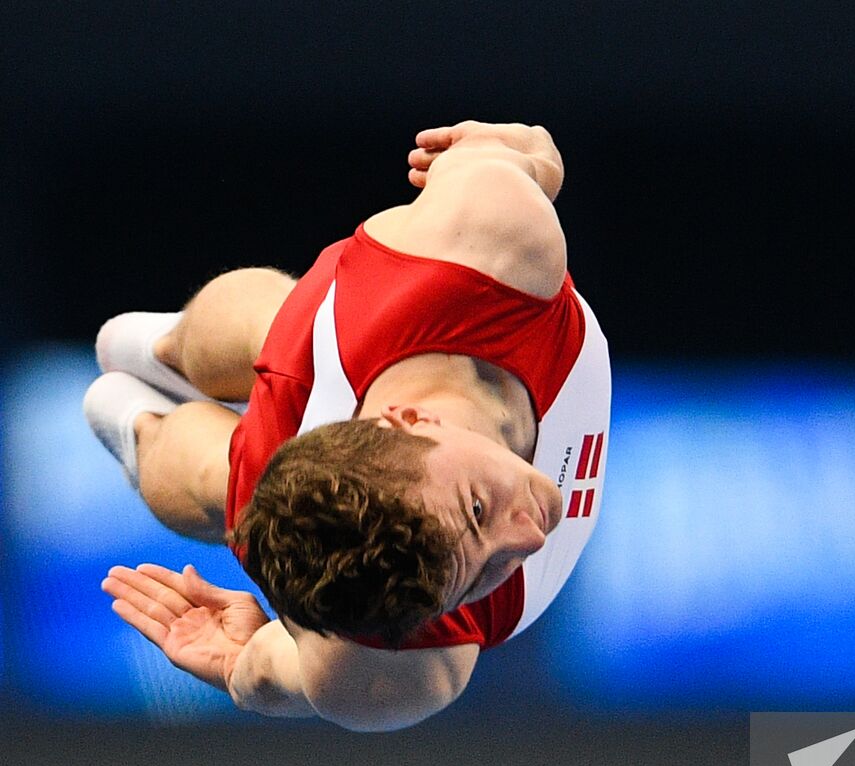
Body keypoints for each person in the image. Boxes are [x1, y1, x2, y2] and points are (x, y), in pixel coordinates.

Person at [84, 120, 611, 731]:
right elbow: (266, 670)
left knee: (240, 408)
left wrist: (522, 153)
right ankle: (155, 388)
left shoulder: (487, 240)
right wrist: (530, 158)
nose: (527, 537)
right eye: (476, 577)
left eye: (474, 510)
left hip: (375, 330)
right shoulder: (416, 656)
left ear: (415, 422)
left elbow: (530, 155)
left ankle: (152, 391)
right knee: (243, 402)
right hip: (351, 401)